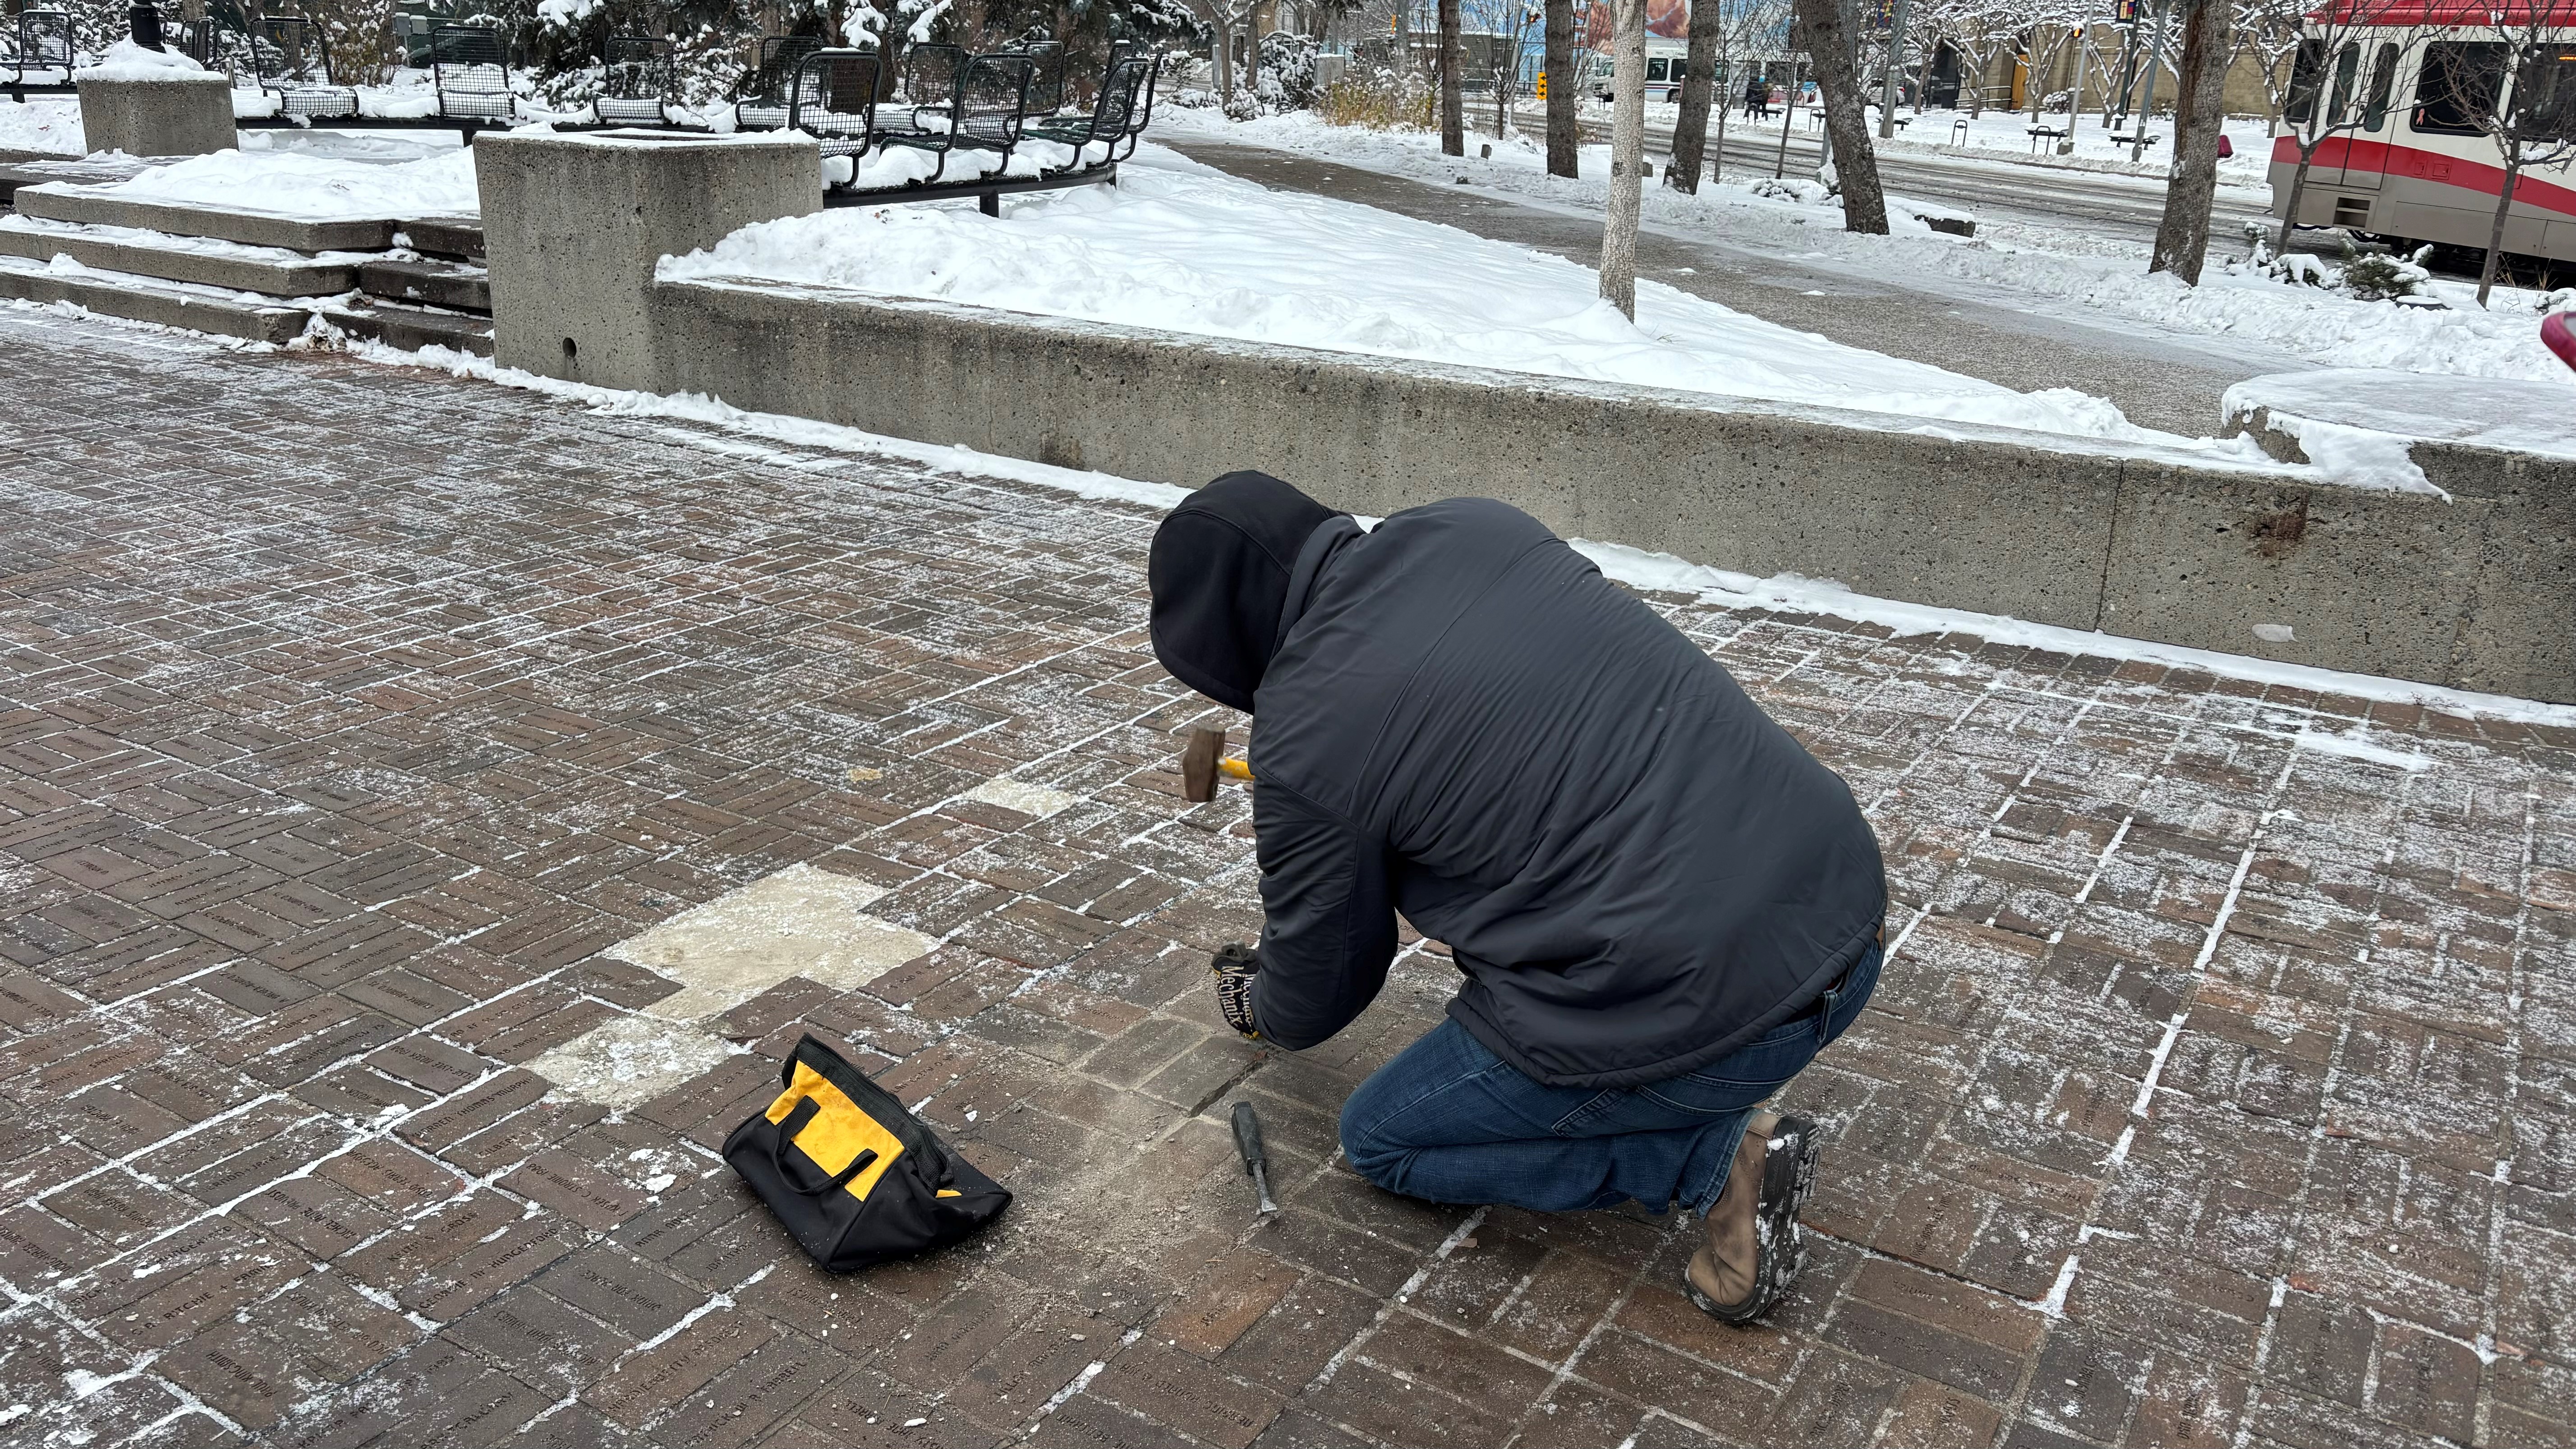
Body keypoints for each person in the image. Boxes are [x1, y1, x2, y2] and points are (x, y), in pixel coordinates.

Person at [1149, 473, 1885, 1324]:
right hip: (1846, 910)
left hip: (1725, 1015)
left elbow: (1322, 986)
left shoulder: (1308, 744)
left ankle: (1715, 1164)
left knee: (1383, 1138)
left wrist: (1260, 1005)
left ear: (1225, 641)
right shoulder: (1473, 526)